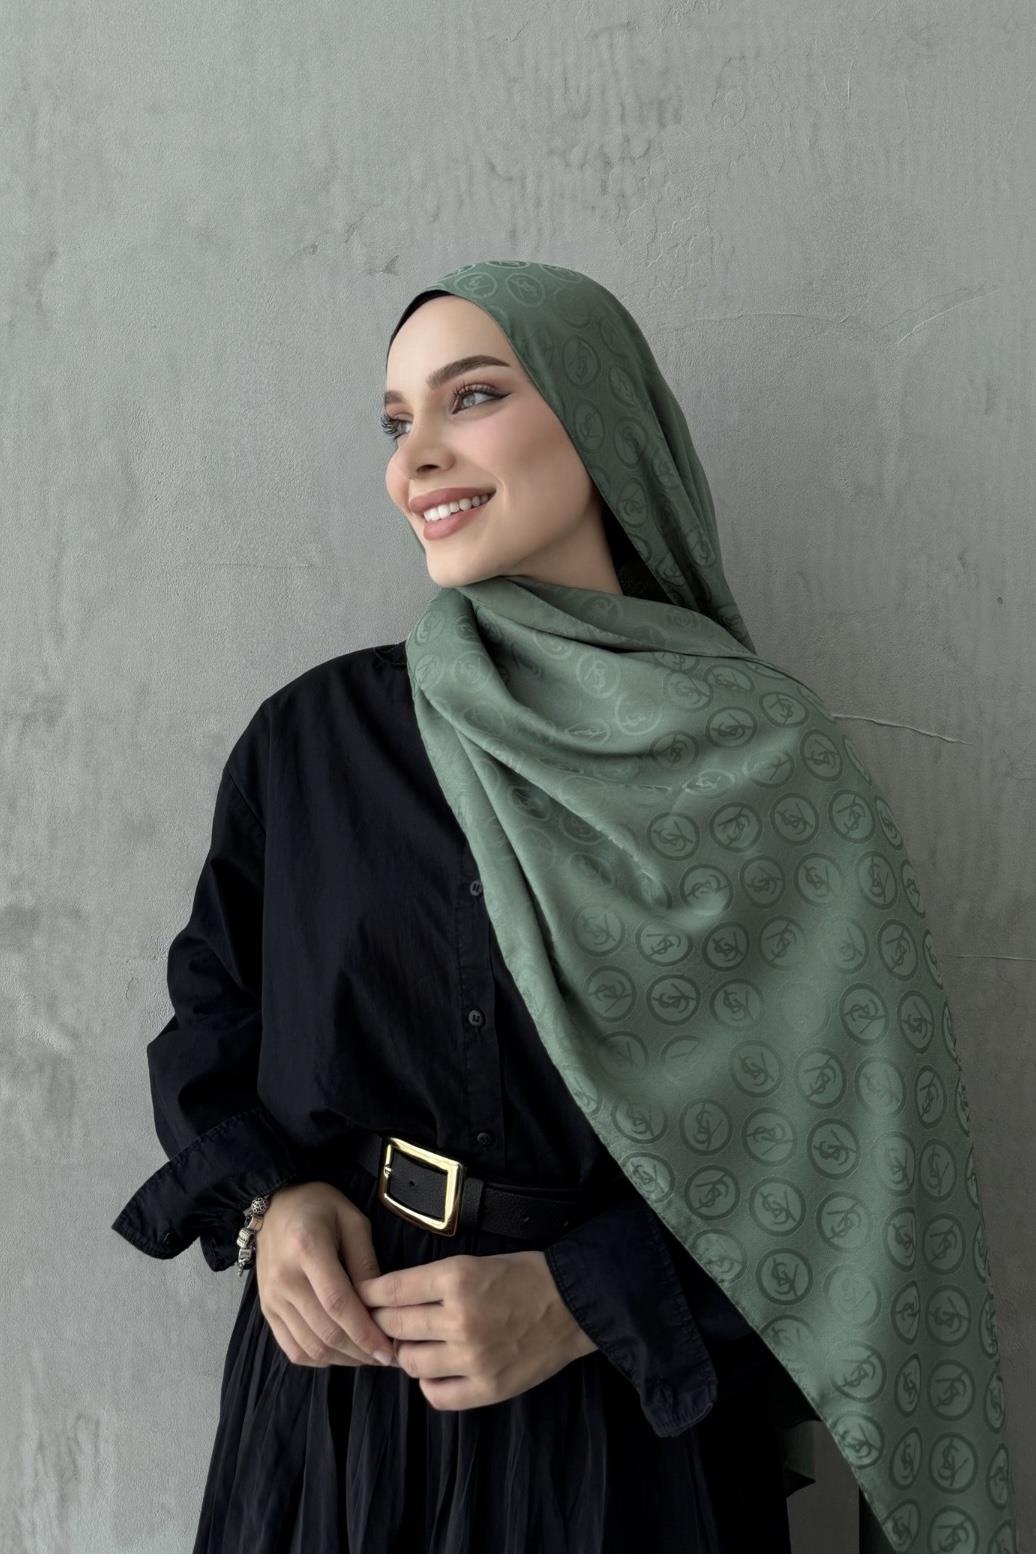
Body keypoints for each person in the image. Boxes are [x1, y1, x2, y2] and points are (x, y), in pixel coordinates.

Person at [112, 260, 1017, 1554]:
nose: (416, 458)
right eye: (395, 421)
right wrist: (274, 1206)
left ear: (602, 420)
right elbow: (213, 1018)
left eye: (471, 396)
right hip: (333, 1431)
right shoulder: (314, 743)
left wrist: (585, 1297)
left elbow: (854, 1179)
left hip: (628, 1436)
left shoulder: (771, 771)